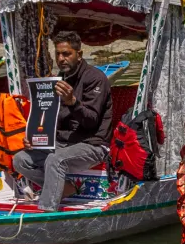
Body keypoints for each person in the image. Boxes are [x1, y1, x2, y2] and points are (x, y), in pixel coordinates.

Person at [10, 30, 114, 211]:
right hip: (64, 143)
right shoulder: (59, 79)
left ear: (79, 54)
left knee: (55, 159)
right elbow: (50, 118)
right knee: (20, 159)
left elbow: (92, 121)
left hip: (94, 144)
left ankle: (47, 210)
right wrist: (36, 137)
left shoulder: (96, 78)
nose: (61, 58)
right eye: (58, 54)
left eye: (66, 54)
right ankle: (65, 188)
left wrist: (72, 102)